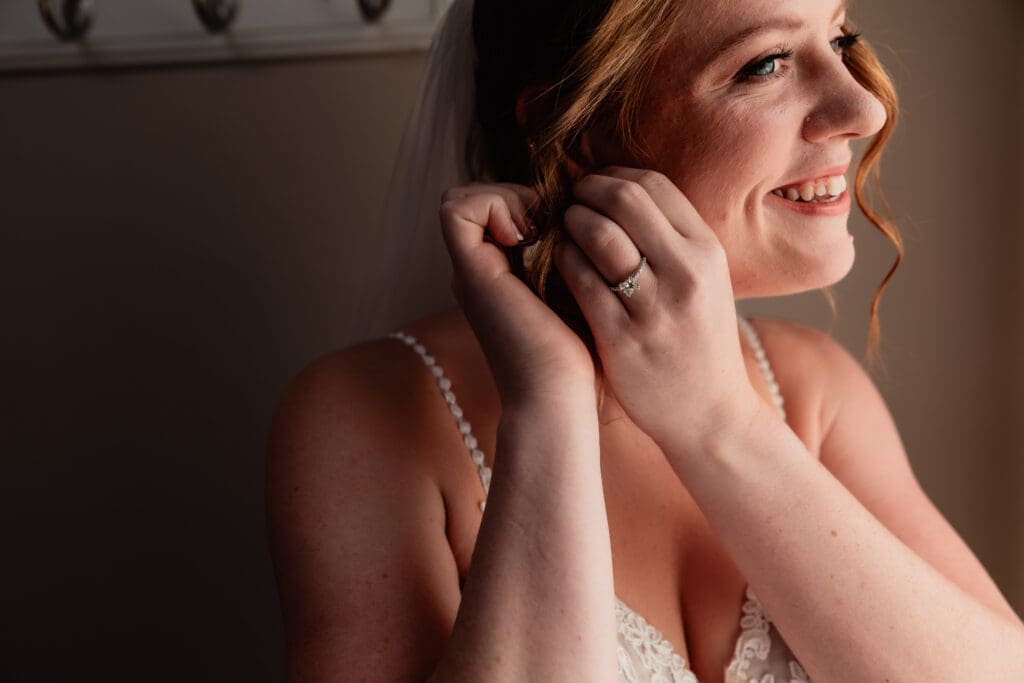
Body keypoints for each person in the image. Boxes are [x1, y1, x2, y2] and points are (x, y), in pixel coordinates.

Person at [266, 0, 1024, 680]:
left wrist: (717, 420)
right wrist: (549, 404)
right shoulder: (366, 421)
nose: (861, 106)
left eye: (840, 35)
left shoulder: (815, 391)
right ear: (583, 133)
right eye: (767, 63)